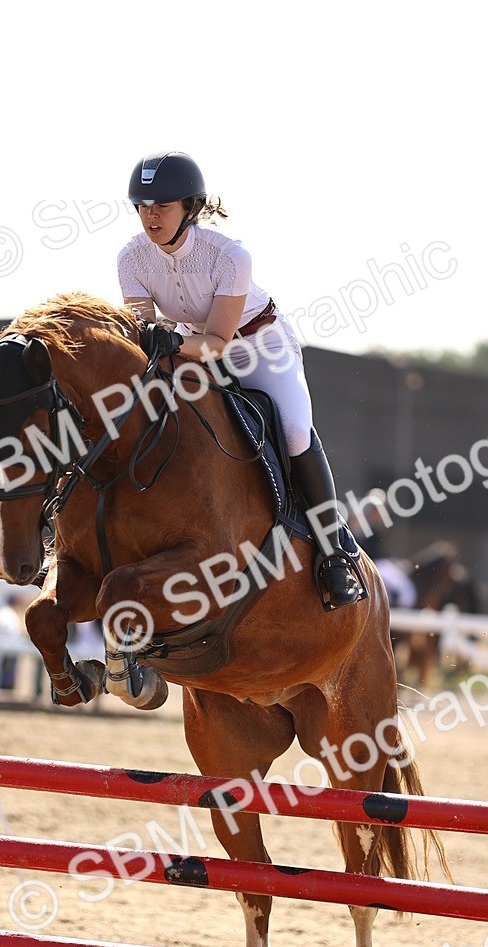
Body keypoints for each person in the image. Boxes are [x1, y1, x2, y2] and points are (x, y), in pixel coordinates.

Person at [116, 150, 364, 610]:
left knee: (293, 432)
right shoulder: (131, 258)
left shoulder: (230, 256)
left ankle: (334, 553)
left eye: (162, 206)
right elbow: (146, 332)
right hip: (190, 346)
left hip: (258, 346)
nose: (151, 216)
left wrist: (166, 342)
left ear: (190, 208)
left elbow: (218, 342)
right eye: (143, 206)